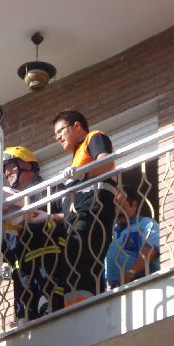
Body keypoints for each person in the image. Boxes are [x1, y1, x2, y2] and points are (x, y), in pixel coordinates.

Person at [52, 109, 116, 304]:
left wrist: (82, 173)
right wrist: (47, 217)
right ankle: (78, 304)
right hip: (80, 218)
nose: (58, 137)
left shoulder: (93, 137)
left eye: (60, 131)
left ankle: (86, 304)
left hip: (92, 214)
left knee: (81, 256)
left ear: (77, 126)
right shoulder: (77, 155)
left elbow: (105, 161)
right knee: (74, 262)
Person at [2, 146, 67, 322]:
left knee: (51, 317)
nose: (7, 173)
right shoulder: (7, 207)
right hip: (24, 281)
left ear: (27, 165)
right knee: (26, 321)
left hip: (50, 272)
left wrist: (47, 216)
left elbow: (72, 217)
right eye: (5, 169)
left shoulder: (51, 189)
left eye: (11, 166)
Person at [105, 187, 160, 288]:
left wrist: (131, 272)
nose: (118, 210)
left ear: (134, 205)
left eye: (121, 205)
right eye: (115, 207)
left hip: (140, 283)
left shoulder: (145, 224)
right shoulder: (113, 232)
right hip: (116, 288)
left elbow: (151, 249)